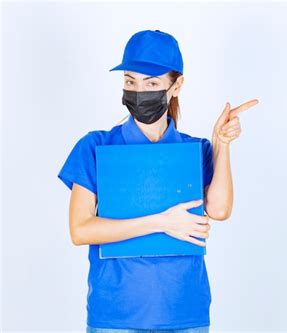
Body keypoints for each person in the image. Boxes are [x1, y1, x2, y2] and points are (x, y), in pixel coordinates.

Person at [57, 29, 258, 333]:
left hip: (184, 313)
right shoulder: (96, 147)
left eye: (151, 83)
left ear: (176, 86)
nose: (139, 91)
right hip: (116, 316)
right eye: (130, 81)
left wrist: (221, 144)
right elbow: (80, 229)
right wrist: (162, 222)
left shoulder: (194, 150)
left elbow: (219, 210)